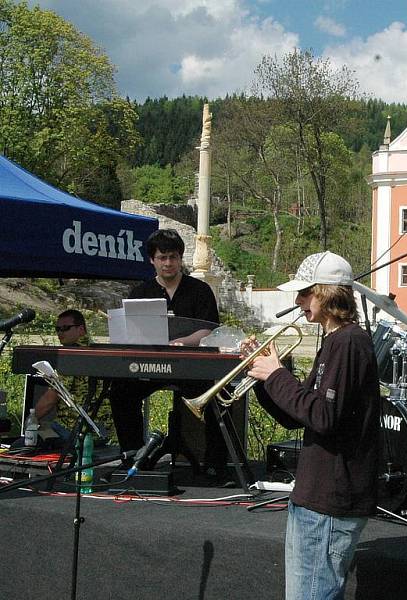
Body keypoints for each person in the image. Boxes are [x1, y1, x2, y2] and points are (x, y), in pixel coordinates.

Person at [246, 251, 379, 600]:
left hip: (329, 503)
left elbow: (323, 416)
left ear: (327, 293)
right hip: (316, 497)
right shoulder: (334, 342)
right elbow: (297, 416)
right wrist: (263, 378)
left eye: (305, 293)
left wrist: (276, 375)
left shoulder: (348, 343)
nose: (299, 301)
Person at [109, 229, 227, 478]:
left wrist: (185, 342)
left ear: (180, 258)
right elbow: (132, 333)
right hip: (148, 367)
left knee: (218, 397)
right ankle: (132, 454)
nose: (168, 263)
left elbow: (210, 330)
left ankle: (217, 463)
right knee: (120, 391)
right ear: (152, 260)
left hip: (191, 367)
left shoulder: (200, 290)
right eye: (162, 257)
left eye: (173, 257)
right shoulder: (140, 293)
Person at [29, 309, 114, 446]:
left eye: (65, 328)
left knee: (21, 446)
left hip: (73, 429)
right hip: (102, 431)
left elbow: (51, 398)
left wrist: (31, 420)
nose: (60, 333)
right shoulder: (98, 352)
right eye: (57, 329)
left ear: (81, 329)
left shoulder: (73, 356)